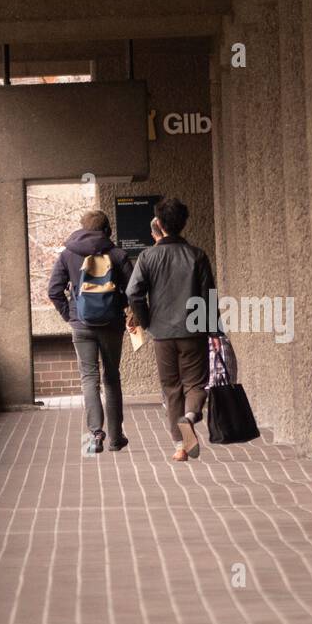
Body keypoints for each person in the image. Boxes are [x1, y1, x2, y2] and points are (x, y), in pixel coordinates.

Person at [126, 197, 217, 462]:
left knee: (171, 388)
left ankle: (181, 446)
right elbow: (208, 295)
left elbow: (134, 292)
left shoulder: (147, 256)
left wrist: (147, 321)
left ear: (160, 224)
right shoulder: (197, 255)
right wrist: (213, 330)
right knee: (196, 384)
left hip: (163, 333)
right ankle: (190, 419)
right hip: (194, 331)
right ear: (183, 223)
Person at [48, 209, 134, 455]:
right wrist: (125, 310)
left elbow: (54, 291)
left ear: (83, 228)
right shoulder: (117, 255)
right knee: (112, 377)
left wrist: (70, 315)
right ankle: (117, 438)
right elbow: (133, 290)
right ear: (107, 230)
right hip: (111, 325)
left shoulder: (68, 255)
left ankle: (95, 434)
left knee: (89, 378)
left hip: (81, 324)